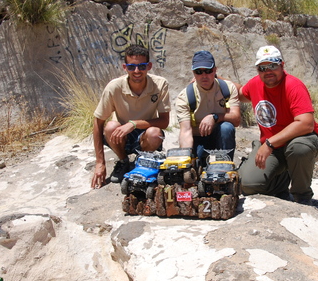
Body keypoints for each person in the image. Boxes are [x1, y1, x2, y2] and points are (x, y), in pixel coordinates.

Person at [237, 45, 318, 204]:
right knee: (248, 184)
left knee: (298, 149)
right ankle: (282, 182)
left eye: (273, 65)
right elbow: (240, 93)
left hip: (303, 141)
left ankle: (302, 198)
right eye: (262, 68)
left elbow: (306, 124)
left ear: (282, 65)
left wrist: (269, 143)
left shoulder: (293, 85)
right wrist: (214, 78)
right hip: (275, 148)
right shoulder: (256, 83)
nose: (268, 71)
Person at [91, 44, 170, 189]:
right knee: (110, 127)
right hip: (121, 136)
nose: (137, 71)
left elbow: (164, 121)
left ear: (149, 66)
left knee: (155, 133)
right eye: (131, 67)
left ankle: (143, 162)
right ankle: (123, 161)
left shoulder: (160, 85)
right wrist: (99, 162)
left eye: (142, 66)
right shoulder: (114, 87)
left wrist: (134, 124)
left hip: (145, 133)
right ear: (124, 67)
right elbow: (98, 122)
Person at [174, 50, 241, 166]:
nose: (204, 76)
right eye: (199, 72)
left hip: (219, 135)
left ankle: (225, 168)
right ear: (193, 72)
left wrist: (215, 117)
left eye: (208, 71)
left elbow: (236, 119)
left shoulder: (227, 88)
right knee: (194, 170)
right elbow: (185, 131)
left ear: (215, 70)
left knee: (227, 127)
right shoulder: (184, 97)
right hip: (197, 138)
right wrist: (186, 159)